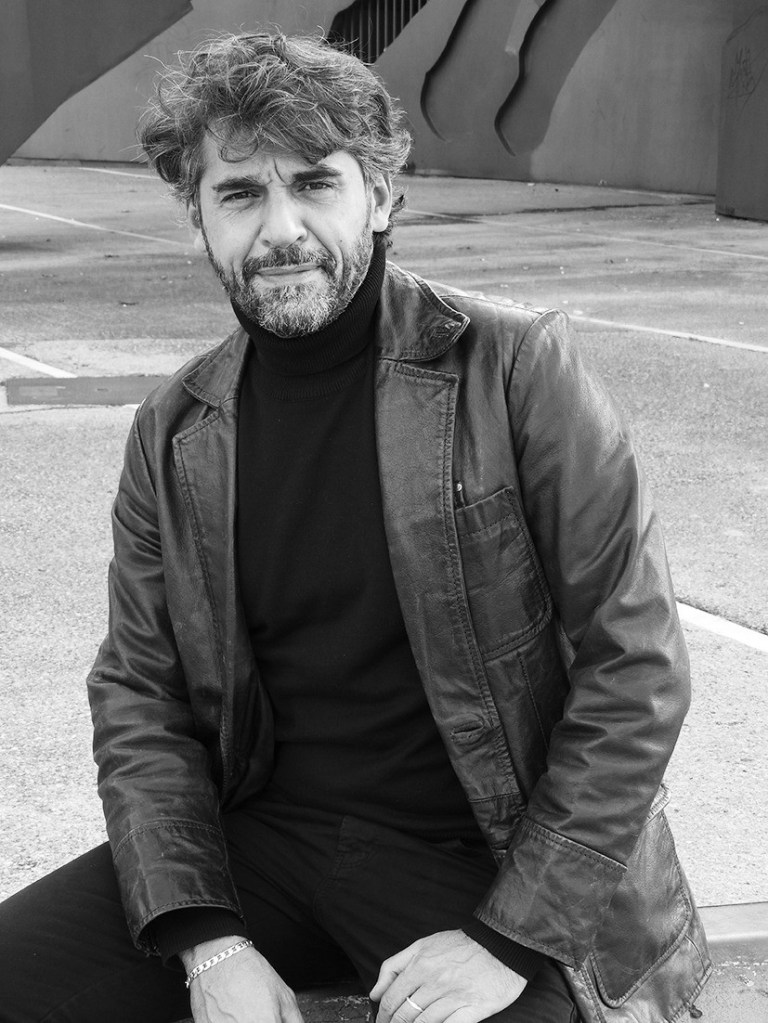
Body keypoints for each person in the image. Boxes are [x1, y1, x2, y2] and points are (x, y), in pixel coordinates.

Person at [0, 31, 710, 1023]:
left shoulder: (515, 371)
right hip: (269, 838)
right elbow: (139, 694)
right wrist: (207, 939)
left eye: (314, 184)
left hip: (491, 852)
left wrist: (507, 939)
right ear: (199, 218)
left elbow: (636, 669)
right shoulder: (176, 429)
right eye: (240, 195)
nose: (281, 229)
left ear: (378, 197)